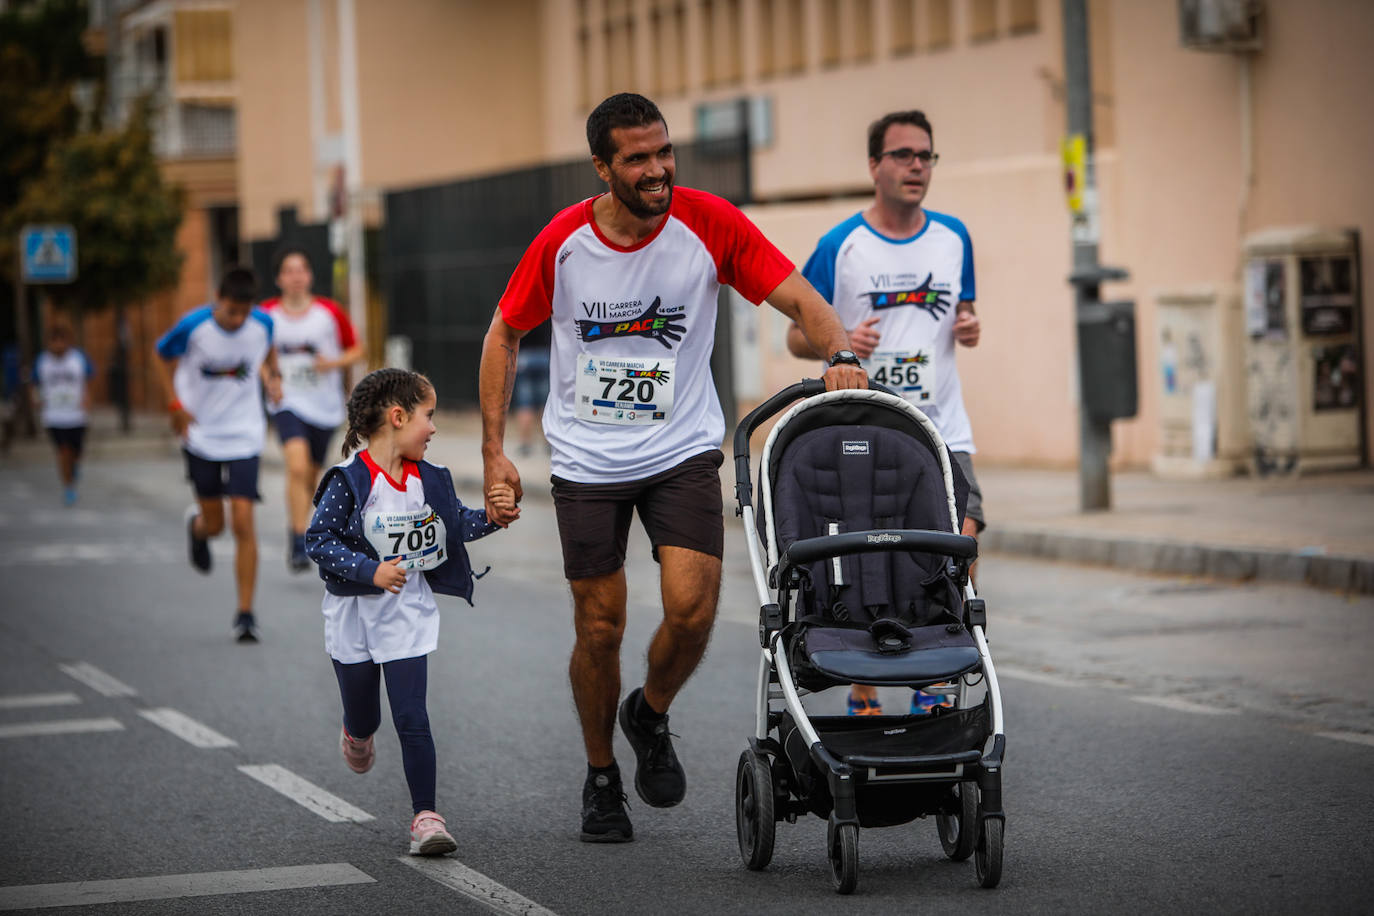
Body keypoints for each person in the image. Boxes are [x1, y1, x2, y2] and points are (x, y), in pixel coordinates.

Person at [478, 92, 867, 844]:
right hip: (588, 456)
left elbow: (799, 300)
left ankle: (648, 714)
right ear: (602, 166)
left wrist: (841, 353)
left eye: (664, 152)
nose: (658, 170)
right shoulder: (562, 242)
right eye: (637, 158)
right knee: (600, 626)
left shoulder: (708, 222)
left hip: (682, 446)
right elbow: (504, 333)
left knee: (692, 610)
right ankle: (600, 776)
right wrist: (495, 449)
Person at [786, 109, 984, 717]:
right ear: (874, 166)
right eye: (903, 155)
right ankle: (866, 694)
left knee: (958, 557)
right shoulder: (840, 245)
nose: (916, 166)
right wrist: (844, 343)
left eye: (926, 156)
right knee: (867, 564)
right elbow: (796, 338)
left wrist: (971, 326)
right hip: (866, 432)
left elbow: (964, 315)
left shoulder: (954, 237)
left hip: (942, 429)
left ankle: (935, 696)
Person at [305, 368, 515, 856]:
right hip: (354, 614)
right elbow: (318, 539)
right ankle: (356, 732)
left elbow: (454, 524)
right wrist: (369, 571)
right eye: (429, 416)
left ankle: (426, 817)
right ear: (398, 418)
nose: (435, 428)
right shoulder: (351, 481)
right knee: (366, 715)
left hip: (406, 613)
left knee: (412, 717)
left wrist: (492, 517)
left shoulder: (430, 479)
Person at [154, 266, 282, 643]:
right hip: (201, 435)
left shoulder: (262, 324)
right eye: (231, 312)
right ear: (218, 300)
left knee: (243, 521)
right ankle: (198, 528)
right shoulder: (193, 326)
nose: (238, 319)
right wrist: (174, 404)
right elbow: (160, 356)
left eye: (243, 312)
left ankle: (245, 614)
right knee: (217, 525)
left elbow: (268, 351)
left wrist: (274, 379)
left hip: (245, 433)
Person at [261, 247, 364, 571]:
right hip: (287, 402)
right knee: (296, 465)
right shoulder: (265, 315)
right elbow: (255, 355)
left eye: (301, 269)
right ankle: (297, 538)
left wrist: (331, 362)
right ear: (279, 278)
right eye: (289, 271)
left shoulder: (329, 312)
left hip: (324, 405)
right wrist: (269, 379)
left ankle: (302, 523)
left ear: (309, 275)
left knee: (310, 473)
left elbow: (357, 350)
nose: (296, 276)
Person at [32, 319, 93, 506]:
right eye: (54, 340)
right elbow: (34, 384)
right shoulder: (42, 361)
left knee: (76, 451)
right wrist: (35, 399)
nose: (58, 345)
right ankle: (68, 486)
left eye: (61, 340)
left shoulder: (78, 358)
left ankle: (73, 469)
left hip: (76, 415)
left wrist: (87, 399)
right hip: (54, 415)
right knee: (63, 451)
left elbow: (88, 380)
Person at [510, 321, 551, 457]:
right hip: (545, 356)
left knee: (525, 404)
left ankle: (525, 444)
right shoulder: (547, 306)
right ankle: (548, 442)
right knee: (546, 405)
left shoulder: (523, 306)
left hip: (524, 357)